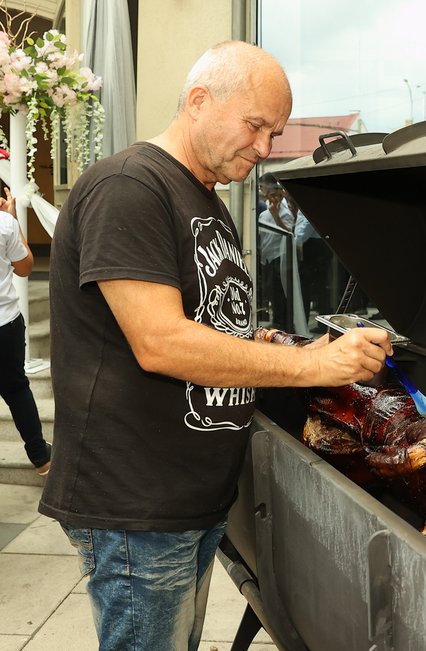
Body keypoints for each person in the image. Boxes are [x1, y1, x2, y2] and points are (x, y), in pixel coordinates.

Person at [38, 41, 392, 650]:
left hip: (191, 498)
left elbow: (205, 324)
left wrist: (269, 341)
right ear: (199, 101)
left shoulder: (204, 198)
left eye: (273, 132)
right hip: (136, 505)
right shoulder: (131, 185)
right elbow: (160, 341)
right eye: (256, 126)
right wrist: (308, 364)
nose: (264, 147)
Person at [0, 187, 52, 475]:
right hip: (4, 324)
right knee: (17, 389)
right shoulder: (4, 224)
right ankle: (41, 458)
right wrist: (12, 219)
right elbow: (25, 267)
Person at [256, 173, 294, 327]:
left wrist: (276, 216)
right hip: (267, 258)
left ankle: (283, 323)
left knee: (281, 293)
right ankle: (275, 320)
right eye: (270, 195)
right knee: (271, 293)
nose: (273, 198)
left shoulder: (285, 212)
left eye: (275, 195)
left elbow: (290, 233)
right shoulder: (263, 214)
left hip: (280, 257)